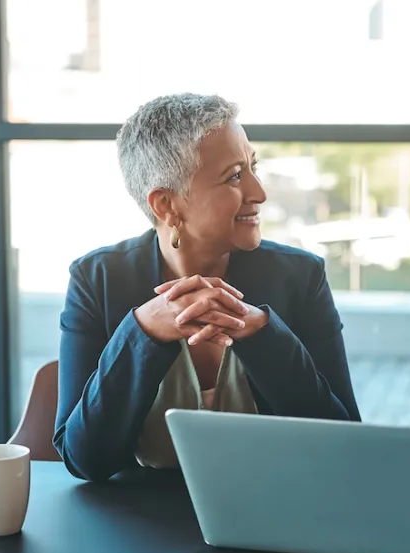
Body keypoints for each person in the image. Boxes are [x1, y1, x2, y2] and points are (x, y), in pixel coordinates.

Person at [54, 93, 361, 482]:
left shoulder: (300, 278)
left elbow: (345, 441)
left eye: (253, 167)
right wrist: (141, 333)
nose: (259, 192)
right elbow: (84, 460)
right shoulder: (95, 280)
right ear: (167, 205)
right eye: (234, 176)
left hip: (280, 510)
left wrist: (263, 334)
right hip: (141, 526)